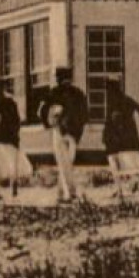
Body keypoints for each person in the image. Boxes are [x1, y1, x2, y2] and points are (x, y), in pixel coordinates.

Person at [42, 67, 90, 204]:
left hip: (59, 131)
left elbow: (43, 112)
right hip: (74, 133)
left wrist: (49, 123)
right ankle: (63, 192)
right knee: (68, 162)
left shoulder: (54, 93)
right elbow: (85, 116)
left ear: (58, 78)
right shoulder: (79, 93)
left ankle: (68, 193)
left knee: (63, 163)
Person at [101, 79, 139, 198]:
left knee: (116, 165)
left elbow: (113, 120)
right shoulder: (127, 100)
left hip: (116, 141)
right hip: (129, 139)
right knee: (131, 165)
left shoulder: (114, 102)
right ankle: (132, 184)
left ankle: (121, 189)